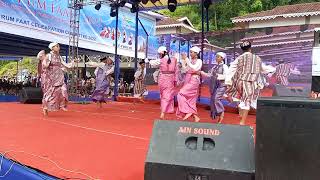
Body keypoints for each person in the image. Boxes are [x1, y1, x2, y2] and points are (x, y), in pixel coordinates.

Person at [226, 41, 275, 125]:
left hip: (241, 82)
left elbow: (231, 70)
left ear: (242, 50)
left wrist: (228, 82)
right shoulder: (257, 58)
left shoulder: (239, 58)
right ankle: (242, 121)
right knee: (248, 101)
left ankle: (243, 119)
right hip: (252, 83)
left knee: (245, 100)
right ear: (250, 49)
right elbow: (264, 69)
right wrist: (273, 69)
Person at [42, 42, 75, 116]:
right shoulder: (49, 56)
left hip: (60, 75)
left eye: (58, 46)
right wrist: (47, 64)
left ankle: (62, 105)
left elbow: (66, 65)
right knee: (50, 93)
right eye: (56, 46)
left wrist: (73, 63)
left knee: (64, 89)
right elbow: (44, 65)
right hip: (51, 77)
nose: (58, 47)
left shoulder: (59, 57)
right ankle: (45, 107)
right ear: (52, 48)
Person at [146, 46, 178, 119]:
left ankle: (163, 112)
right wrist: (176, 80)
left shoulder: (161, 60)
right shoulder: (174, 60)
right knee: (168, 95)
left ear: (163, 53)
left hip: (162, 79)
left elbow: (152, 63)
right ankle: (167, 110)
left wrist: (148, 61)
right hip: (170, 79)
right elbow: (176, 71)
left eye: (160, 54)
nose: (159, 55)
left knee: (164, 95)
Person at [200, 52, 228, 123]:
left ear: (222, 58)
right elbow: (209, 75)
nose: (216, 58)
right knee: (213, 100)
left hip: (221, 85)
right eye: (216, 56)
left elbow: (227, 76)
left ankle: (222, 113)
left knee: (216, 99)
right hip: (214, 86)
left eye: (218, 57)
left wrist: (217, 76)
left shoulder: (224, 66)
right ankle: (219, 114)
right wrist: (202, 73)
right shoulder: (214, 67)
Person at [176, 46, 202, 122]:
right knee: (191, 99)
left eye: (191, 52)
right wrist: (184, 62)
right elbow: (185, 69)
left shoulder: (199, 61)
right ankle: (195, 117)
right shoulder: (190, 61)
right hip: (188, 79)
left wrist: (187, 60)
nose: (190, 54)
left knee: (180, 93)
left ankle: (188, 111)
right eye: (190, 52)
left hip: (194, 80)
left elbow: (194, 68)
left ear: (196, 53)